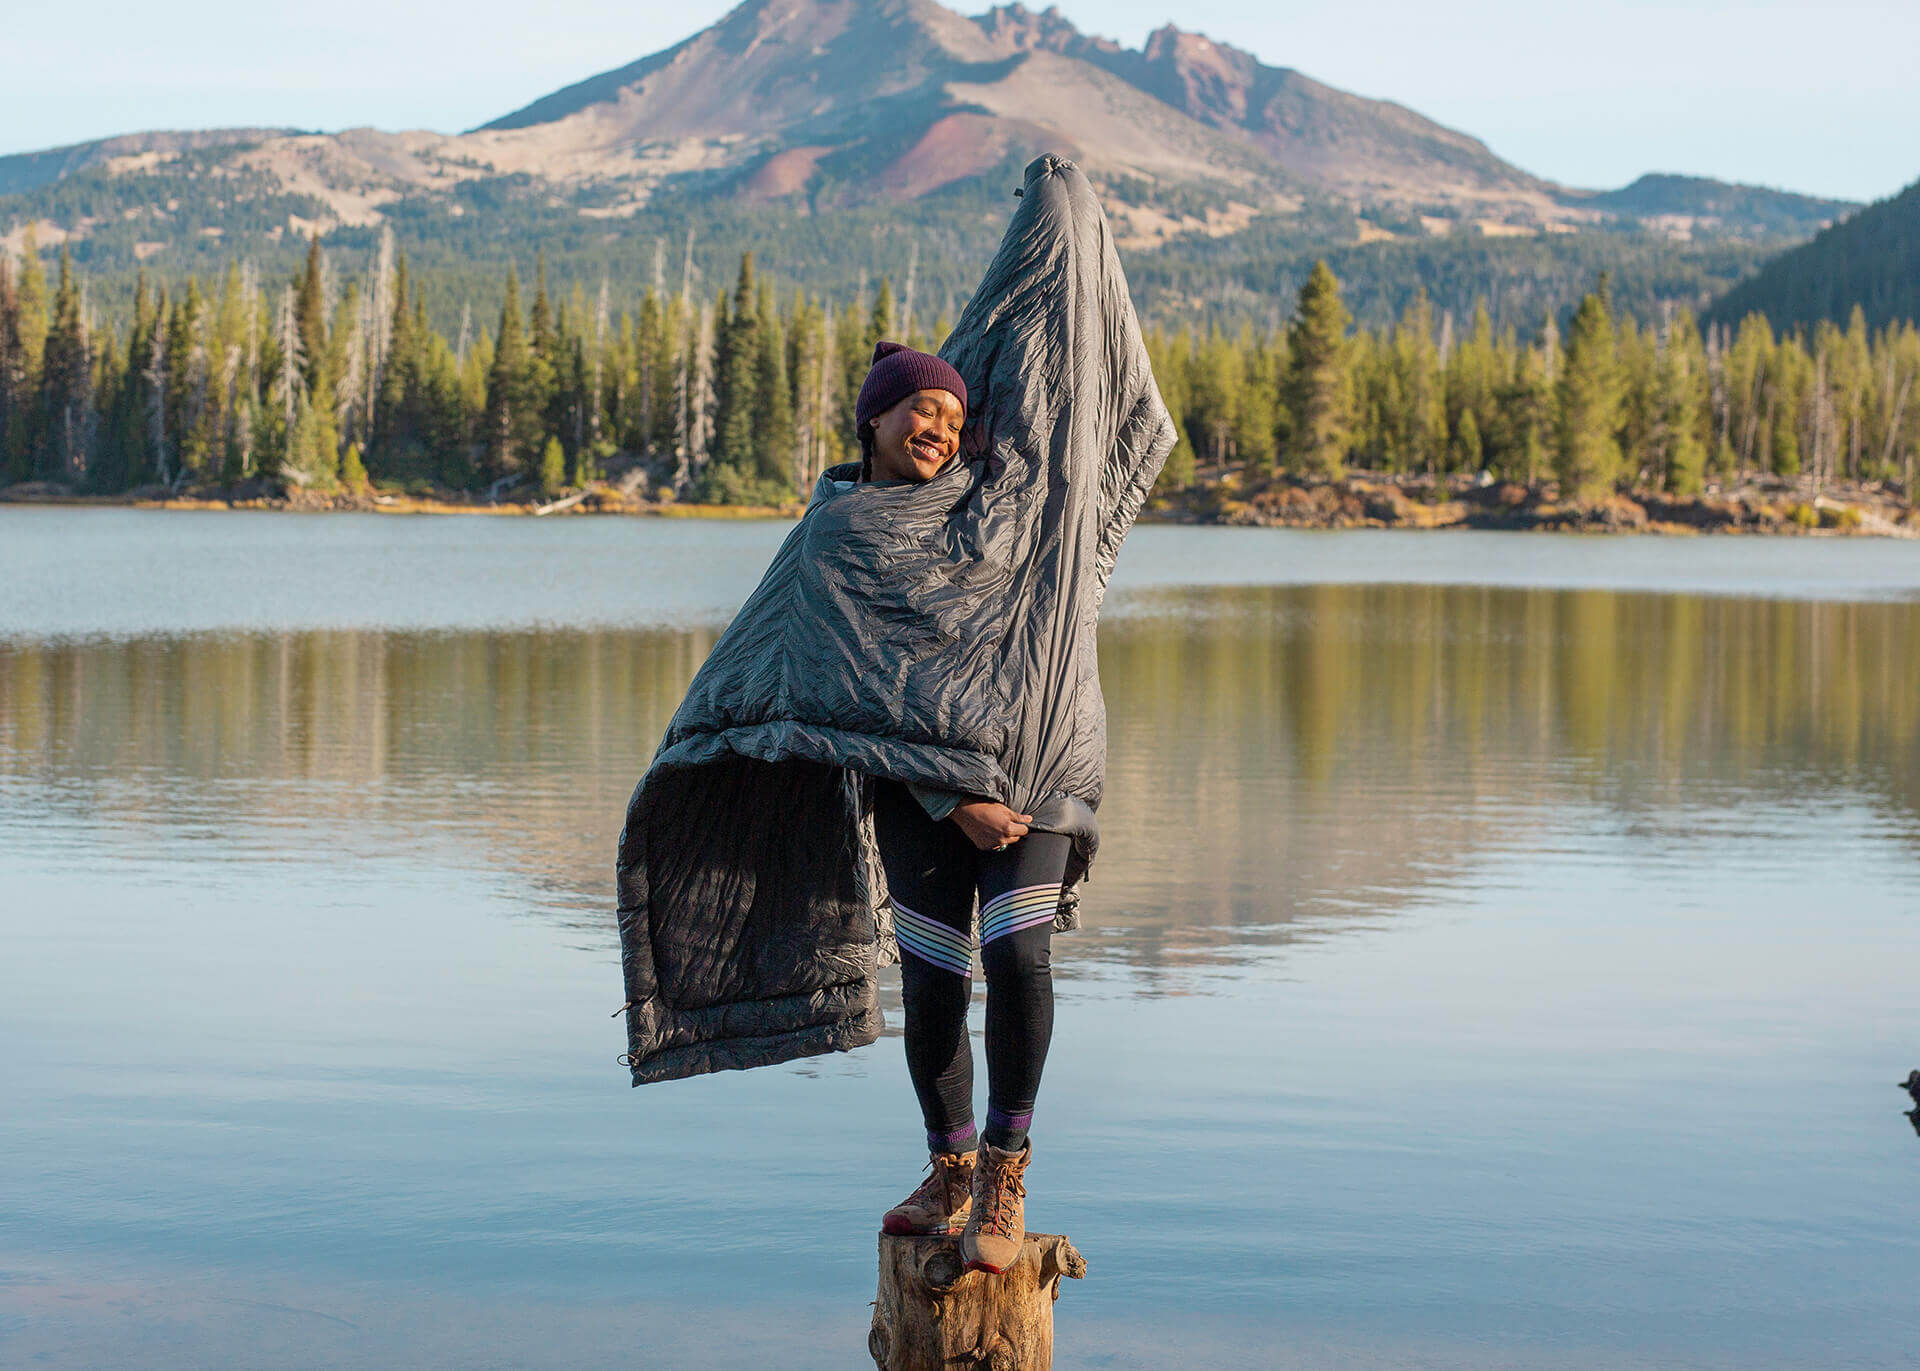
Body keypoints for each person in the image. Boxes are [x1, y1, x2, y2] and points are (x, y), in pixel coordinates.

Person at [850, 341, 1066, 1275]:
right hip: (915, 791)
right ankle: (951, 1171)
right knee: (935, 981)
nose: (935, 428)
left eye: (951, 414)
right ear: (875, 419)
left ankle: (1004, 1178)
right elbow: (853, 687)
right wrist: (951, 795)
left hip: (1038, 763)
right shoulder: (840, 534)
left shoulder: (997, 509)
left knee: (1018, 954)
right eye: (917, 411)